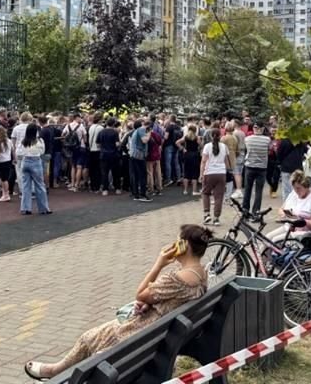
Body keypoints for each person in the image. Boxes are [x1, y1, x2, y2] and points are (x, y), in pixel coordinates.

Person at [24, 224, 212, 380]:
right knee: (92, 336)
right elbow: (172, 300)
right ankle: (56, 372)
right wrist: (151, 303)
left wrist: (160, 263)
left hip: (141, 335)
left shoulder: (176, 278)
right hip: (159, 335)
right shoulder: (201, 275)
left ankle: (57, 373)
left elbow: (140, 293)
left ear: (184, 245)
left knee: (91, 342)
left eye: (177, 241)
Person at [269, 170, 311, 249]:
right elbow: (281, 208)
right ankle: (265, 261)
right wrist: (283, 213)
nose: (296, 191)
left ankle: (273, 260)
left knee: (275, 241)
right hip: (290, 228)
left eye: (298, 188)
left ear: (306, 186)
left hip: (307, 234)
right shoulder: (294, 194)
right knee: (267, 239)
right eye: (294, 188)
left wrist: (304, 222)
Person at [18, 124, 51, 216]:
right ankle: (44, 208)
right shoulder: (39, 141)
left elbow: (18, 153)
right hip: (36, 161)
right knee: (40, 185)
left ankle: (25, 208)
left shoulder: (23, 141)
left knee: (26, 186)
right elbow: (42, 152)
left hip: (25, 161)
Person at [200, 128, 229, 227]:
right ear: (220, 136)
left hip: (209, 173)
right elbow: (226, 161)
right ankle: (216, 218)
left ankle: (207, 214)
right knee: (219, 196)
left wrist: (201, 174)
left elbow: (203, 161)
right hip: (221, 173)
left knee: (205, 193)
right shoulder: (224, 147)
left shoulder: (207, 146)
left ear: (211, 136)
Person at [241, 122, 271, 214]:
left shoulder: (247, 139)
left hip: (249, 166)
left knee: (247, 189)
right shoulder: (267, 140)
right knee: (258, 191)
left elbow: (245, 150)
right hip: (262, 167)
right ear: (262, 129)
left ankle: (245, 210)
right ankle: (256, 211)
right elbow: (269, 151)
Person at [129, 119, 151, 202]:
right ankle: (142, 194)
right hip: (139, 155)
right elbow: (144, 140)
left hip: (134, 155)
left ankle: (136, 194)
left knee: (136, 175)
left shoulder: (135, 131)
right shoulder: (141, 129)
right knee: (142, 175)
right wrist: (149, 133)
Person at [97, 117, 119, 196]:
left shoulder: (101, 132)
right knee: (115, 172)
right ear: (113, 124)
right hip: (113, 154)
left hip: (103, 154)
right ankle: (117, 188)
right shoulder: (115, 132)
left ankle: (105, 189)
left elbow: (98, 144)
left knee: (104, 172)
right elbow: (117, 144)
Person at [177, 124, 201, 196]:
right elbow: (201, 145)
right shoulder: (197, 137)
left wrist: (183, 149)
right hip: (195, 155)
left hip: (187, 155)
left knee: (186, 172)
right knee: (194, 173)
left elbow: (177, 142)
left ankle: (185, 190)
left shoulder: (186, 137)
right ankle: (194, 191)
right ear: (195, 130)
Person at [146, 116, 164, 197]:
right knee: (158, 173)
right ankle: (159, 188)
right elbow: (160, 143)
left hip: (149, 155)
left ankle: (151, 189)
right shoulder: (156, 135)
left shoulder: (148, 136)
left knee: (150, 173)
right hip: (157, 155)